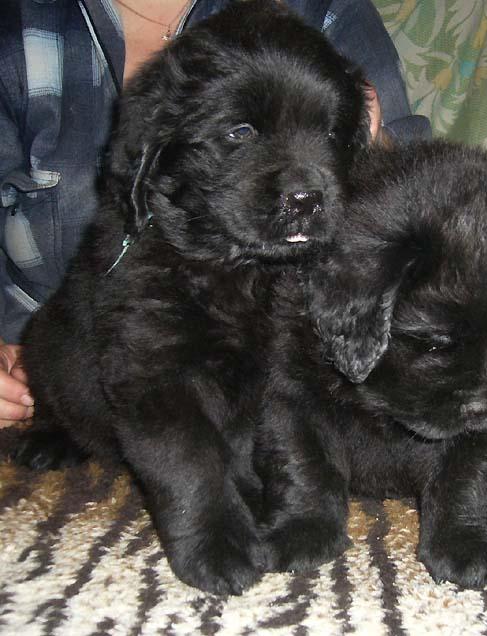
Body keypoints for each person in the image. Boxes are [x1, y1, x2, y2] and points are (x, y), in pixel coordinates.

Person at [0, 0, 430, 427]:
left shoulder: (324, 10)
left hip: (299, 369)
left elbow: (416, 202)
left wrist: (369, 152)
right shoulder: (16, 30)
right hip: (48, 374)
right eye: (240, 132)